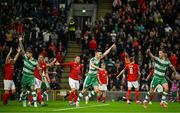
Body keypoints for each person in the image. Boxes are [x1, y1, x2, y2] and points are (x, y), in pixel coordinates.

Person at [19, 36, 38, 107]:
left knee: (33, 89)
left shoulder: (35, 61)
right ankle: (24, 103)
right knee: (24, 91)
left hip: (31, 77)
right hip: (24, 77)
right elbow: (22, 49)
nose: (26, 54)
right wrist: (20, 41)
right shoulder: (25, 58)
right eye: (26, 53)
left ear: (31, 54)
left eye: (27, 53)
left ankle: (35, 104)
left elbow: (39, 69)